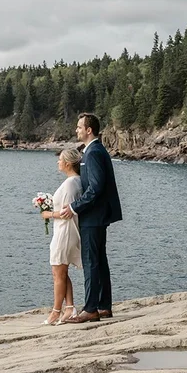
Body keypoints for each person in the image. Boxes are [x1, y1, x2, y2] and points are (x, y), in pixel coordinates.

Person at [60, 113, 122, 324]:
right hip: (98, 216)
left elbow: (95, 188)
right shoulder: (94, 151)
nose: (76, 130)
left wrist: (74, 207)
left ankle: (91, 309)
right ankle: (104, 306)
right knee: (100, 262)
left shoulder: (93, 152)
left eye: (79, 127)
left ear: (89, 130)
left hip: (93, 217)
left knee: (91, 262)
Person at [39, 148, 83, 325]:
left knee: (58, 272)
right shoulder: (75, 181)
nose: (58, 162)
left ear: (68, 163)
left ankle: (55, 312)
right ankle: (70, 307)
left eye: (60, 160)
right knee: (61, 271)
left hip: (65, 231)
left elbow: (67, 212)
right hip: (63, 230)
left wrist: (48, 214)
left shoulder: (71, 184)